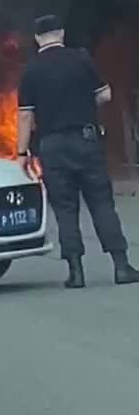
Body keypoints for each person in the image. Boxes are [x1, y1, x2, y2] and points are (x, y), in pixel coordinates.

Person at [17, 15, 139, 289]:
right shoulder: (81, 59)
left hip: (52, 146)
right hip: (85, 140)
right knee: (101, 202)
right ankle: (121, 266)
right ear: (61, 33)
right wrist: (84, 104)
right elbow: (105, 94)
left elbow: (25, 116)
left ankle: (76, 272)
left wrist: (22, 153)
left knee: (65, 208)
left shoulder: (31, 70)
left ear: (38, 38)